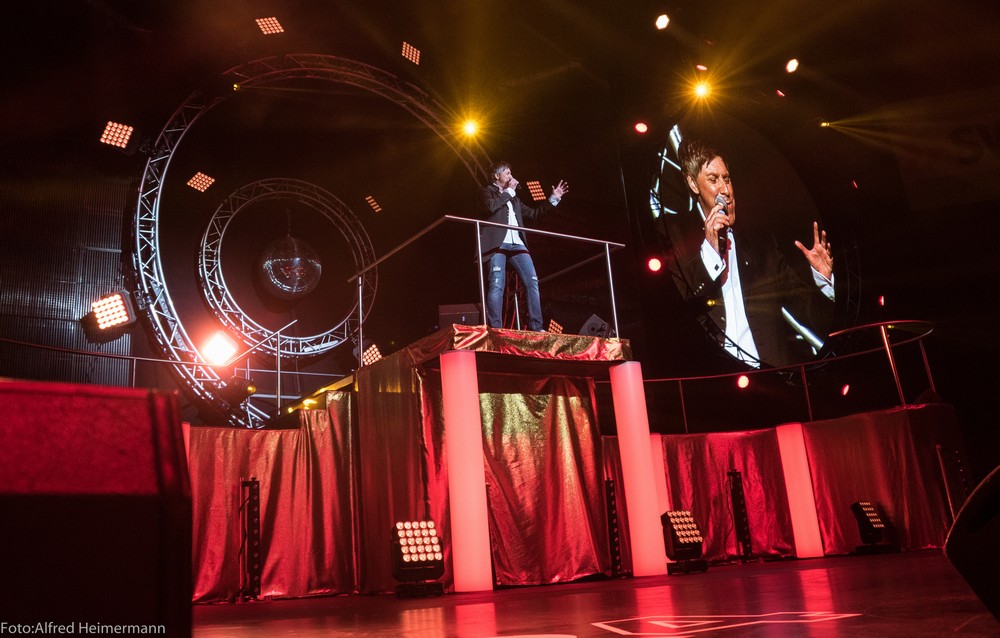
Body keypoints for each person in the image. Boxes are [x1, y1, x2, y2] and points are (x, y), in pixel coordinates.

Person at [674, 138, 835, 368]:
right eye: (713, 179)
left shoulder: (762, 245)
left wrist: (823, 280)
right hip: (716, 376)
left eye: (727, 179)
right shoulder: (675, 236)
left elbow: (808, 312)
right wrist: (709, 253)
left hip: (769, 376)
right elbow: (679, 313)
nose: (726, 191)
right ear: (692, 183)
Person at [479, 161, 569, 331]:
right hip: (497, 244)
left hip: (517, 243)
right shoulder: (487, 191)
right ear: (497, 176)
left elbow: (533, 214)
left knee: (532, 281)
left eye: (511, 173)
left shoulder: (514, 199)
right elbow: (490, 207)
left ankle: (537, 327)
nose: (511, 176)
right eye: (507, 173)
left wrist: (553, 199)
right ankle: (496, 329)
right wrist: (509, 192)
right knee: (497, 284)